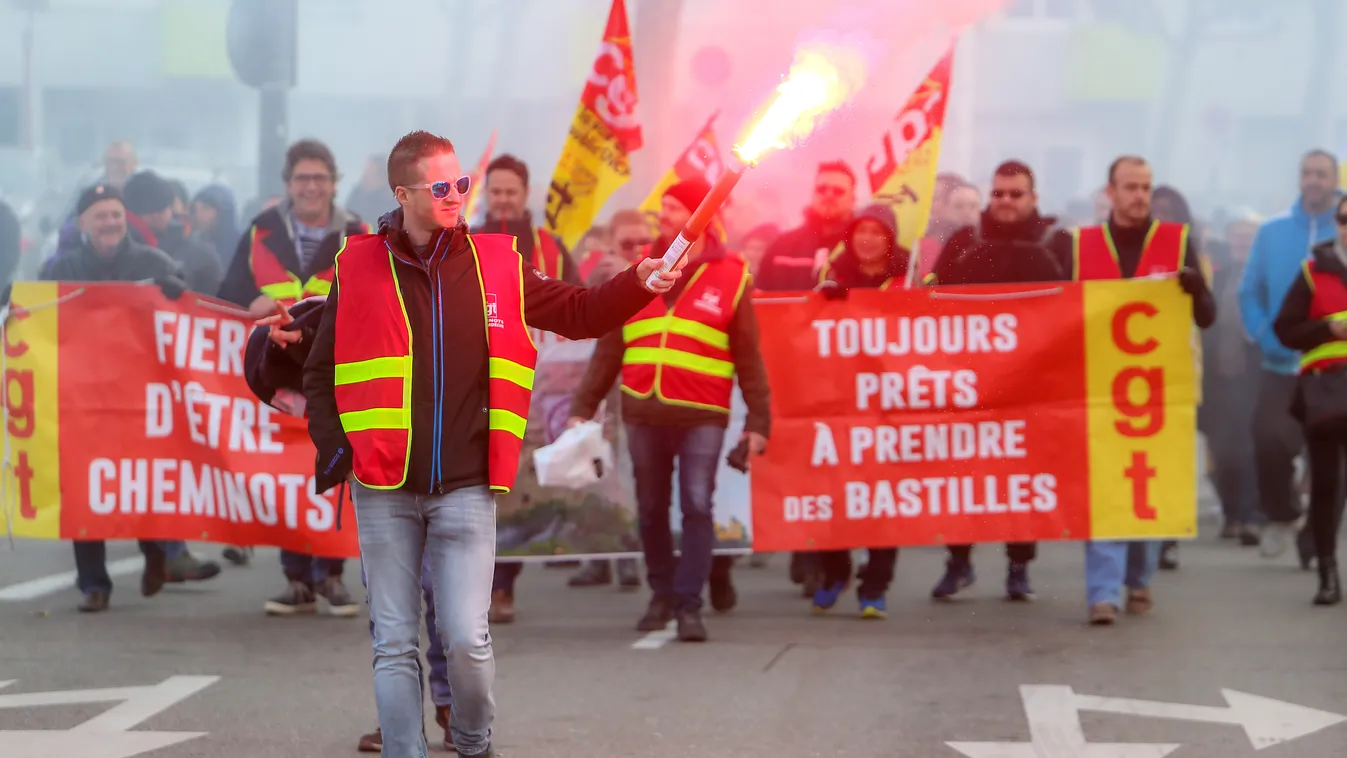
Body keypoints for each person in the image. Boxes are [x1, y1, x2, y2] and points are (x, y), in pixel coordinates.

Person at [301, 130, 681, 758]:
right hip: (383, 488)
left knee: (467, 639)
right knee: (393, 642)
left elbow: (580, 311)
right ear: (404, 193)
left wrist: (640, 282)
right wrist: (337, 449)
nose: (458, 195)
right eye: (442, 186)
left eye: (462, 183)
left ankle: (474, 744)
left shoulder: (496, 261)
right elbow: (321, 374)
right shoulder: (357, 263)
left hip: (468, 487)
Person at [242, 299, 455, 754]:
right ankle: (401, 721)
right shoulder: (342, 300)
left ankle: (455, 708)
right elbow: (307, 358)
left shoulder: (438, 282)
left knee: (446, 601)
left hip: (446, 466)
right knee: (391, 612)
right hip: (379, 477)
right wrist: (287, 343)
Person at [569, 178, 771, 642]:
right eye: (663, 209)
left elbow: (750, 358)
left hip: (703, 413)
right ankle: (661, 594)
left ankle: (689, 603)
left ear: (704, 214)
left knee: (698, 506)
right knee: (652, 509)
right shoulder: (641, 270)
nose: (665, 217)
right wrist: (583, 406)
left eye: (676, 208)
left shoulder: (732, 275)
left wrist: (759, 423)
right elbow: (609, 348)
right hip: (643, 411)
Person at [39, 184, 221, 611]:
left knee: (139, 482)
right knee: (84, 490)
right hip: (82, 399)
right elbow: (37, 313)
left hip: (139, 399)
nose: (109, 224)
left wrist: (175, 286)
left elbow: (186, 301)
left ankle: (156, 552)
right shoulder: (61, 267)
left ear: (126, 222)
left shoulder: (151, 261)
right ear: (83, 224)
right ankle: (93, 585)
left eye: (116, 216)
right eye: (100, 216)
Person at [217, 138, 367, 615]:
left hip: (338, 371)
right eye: (302, 178)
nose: (310, 187)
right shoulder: (261, 231)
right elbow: (229, 293)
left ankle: (333, 575)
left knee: (335, 467)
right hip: (278, 376)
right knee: (287, 472)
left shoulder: (358, 233)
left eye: (319, 178)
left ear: (333, 184)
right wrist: (251, 303)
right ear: (288, 184)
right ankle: (296, 578)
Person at [1075, 156, 1215, 626]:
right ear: (1110, 192)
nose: (1139, 196)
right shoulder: (1081, 245)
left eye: (1146, 187)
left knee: (1148, 490)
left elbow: (1208, 316)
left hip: (1161, 394)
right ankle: (1103, 592)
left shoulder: (1177, 242)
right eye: (1130, 187)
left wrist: (1194, 287)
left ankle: (1140, 577)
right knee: (1106, 492)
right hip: (1101, 392)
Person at [923, 160, 1070, 601]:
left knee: (1024, 480)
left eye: (1016, 194)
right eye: (999, 193)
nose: (1006, 202)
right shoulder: (965, 242)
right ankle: (959, 562)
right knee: (965, 478)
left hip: (1032, 385)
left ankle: (1019, 567)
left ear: (1033, 198)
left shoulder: (1056, 243)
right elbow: (931, 300)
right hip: (972, 385)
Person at [471, 153, 582, 620]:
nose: (502, 200)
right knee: (479, 489)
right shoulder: (464, 242)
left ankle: (503, 586)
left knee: (515, 488)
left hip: (535, 392)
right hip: (476, 388)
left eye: (510, 193)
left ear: (525, 195)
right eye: (495, 192)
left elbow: (577, 307)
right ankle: (474, 585)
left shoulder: (551, 248)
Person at [1239, 150, 1340, 566]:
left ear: (1335, 181)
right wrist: (1264, 335)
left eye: (1321, 174)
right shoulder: (1273, 231)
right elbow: (1249, 291)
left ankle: (1317, 544)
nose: (1313, 180)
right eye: (1306, 173)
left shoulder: (1344, 227)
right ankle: (1282, 514)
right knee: (1268, 441)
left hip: (1334, 368)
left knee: (1331, 461)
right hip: (1280, 363)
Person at [809, 203, 909, 618]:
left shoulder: (911, 280)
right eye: (861, 231)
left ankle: (875, 586)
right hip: (839, 403)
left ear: (891, 238)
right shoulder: (831, 278)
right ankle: (836, 572)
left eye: (878, 231)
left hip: (890, 405)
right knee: (835, 495)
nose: (868, 238)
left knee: (883, 500)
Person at [1272, 193, 1347, 606]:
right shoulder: (1313, 271)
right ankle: (1328, 573)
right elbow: (1285, 330)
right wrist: (1327, 330)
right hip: (1327, 392)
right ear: (1337, 223)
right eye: (1346, 219)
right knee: (1327, 483)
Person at [1203, 210, 1263, 546]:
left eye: (1248, 236)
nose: (1241, 241)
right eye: (1237, 235)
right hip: (1219, 379)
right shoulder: (1219, 276)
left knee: (1249, 447)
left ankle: (1250, 514)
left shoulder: (1264, 278)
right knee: (1223, 450)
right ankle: (1231, 514)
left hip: (1253, 377)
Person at [755, 161, 857, 292]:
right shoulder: (781, 246)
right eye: (821, 189)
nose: (828, 195)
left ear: (853, 199)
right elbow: (759, 301)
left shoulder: (864, 249)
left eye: (838, 191)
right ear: (813, 194)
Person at [123, 171, 222, 295]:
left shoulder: (202, 256)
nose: (154, 216)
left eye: (159, 209)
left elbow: (213, 305)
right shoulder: (115, 253)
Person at [191, 184, 242, 277]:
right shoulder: (193, 242)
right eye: (195, 209)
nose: (198, 214)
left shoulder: (243, 246)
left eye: (205, 208)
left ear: (223, 211)